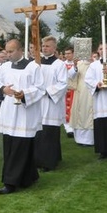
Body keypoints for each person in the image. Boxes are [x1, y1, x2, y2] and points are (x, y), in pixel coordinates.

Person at [0, 39, 44, 194]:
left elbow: (40, 88)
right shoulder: (5, 67)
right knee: (10, 145)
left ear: (20, 50)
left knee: (21, 147)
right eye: (6, 51)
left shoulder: (33, 67)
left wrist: (24, 95)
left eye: (11, 51)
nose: (7, 54)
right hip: (9, 112)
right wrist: (3, 90)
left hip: (24, 113)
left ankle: (11, 183)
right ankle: (29, 176)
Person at [34, 36, 68, 171]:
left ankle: (50, 161)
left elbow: (63, 83)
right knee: (38, 133)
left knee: (50, 134)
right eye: (43, 46)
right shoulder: (36, 63)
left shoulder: (59, 64)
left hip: (51, 103)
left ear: (54, 48)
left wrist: (46, 91)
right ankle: (37, 160)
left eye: (48, 46)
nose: (44, 48)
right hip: (37, 103)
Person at [68, 50, 94, 146]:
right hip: (80, 92)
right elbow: (70, 75)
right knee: (80, 114)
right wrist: (74, 66)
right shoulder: (79, 64)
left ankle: (91, 139)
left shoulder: (94, 64)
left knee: (90, 114)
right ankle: (80, 139)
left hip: (92, 93)